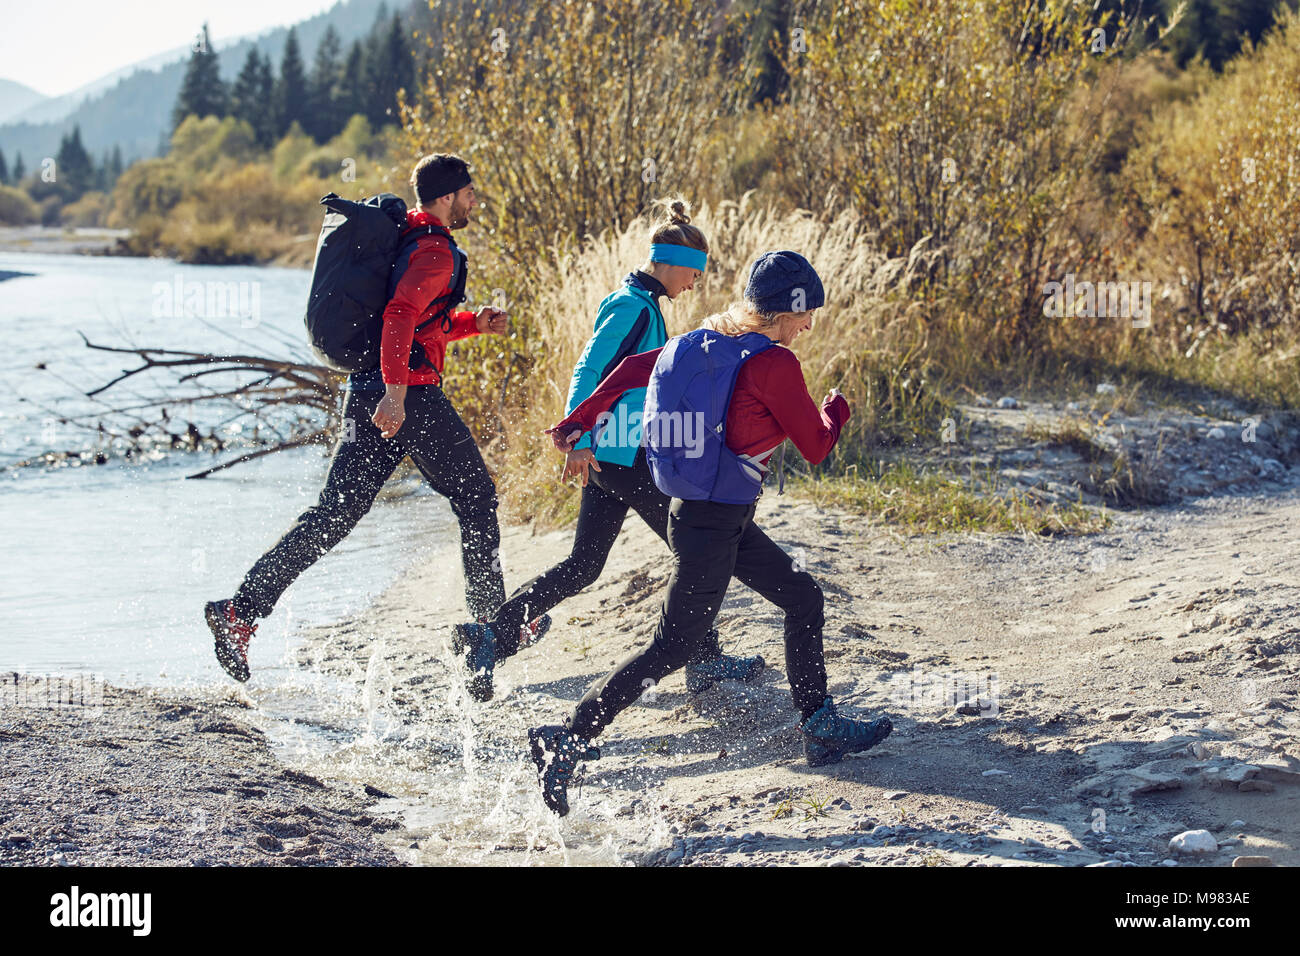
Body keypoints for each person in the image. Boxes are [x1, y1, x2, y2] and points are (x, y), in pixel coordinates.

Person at [528, 251, 895, 816]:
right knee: (671, 648)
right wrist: (837, 411)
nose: (809, 326)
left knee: (804, 597)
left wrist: (582, 418)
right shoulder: (773, 364)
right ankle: (567, 737)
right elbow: (818, 447)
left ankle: (819, 725)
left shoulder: (708, 340)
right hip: (712, 526)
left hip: (707, 514)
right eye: (806, 315)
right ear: (784, 312)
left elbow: (627, 373)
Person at [205, 153, 510, 682]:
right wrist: (395, 395)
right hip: (407, 396)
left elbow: (420, 322)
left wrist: (474, 323)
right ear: (446, 196)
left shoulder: (409, 237)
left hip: (369, 388)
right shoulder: (435, 250)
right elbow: (398, 317)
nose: (474, 200)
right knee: (477, 498)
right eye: (468, 192)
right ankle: (487, 629)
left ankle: (241, 612)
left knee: (334, 515)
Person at [451, 199, 763, 701]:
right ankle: (704, 661)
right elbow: (588, 370)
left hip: (613, 457)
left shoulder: (644, 304)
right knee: (697, 551)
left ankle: (490, 637)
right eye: (695, 274)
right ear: (675, 262)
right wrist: (578, 436)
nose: (696, 284)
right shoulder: (632, 307)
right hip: (619, 454)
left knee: (584, 565)